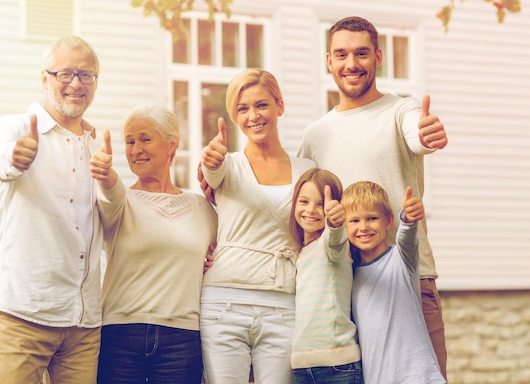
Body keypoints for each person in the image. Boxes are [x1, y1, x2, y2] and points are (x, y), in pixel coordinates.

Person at [297, 16, 449, 379]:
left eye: (362, 53)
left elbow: (417, 134)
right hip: (341, 290)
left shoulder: (402, 111)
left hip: (408, 280)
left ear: (378, 57)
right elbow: (298, 205)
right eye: (342, 54)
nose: (352, 64)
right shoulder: (315, 134)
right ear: (328, 61)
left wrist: (427, 134)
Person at [0, 36, 103, 383]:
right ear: (44, 78)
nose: (76, 84)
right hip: (24, 313)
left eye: (86, 75)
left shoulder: (97, 146)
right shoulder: (13, 129)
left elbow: (115, 220)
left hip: (83, 324)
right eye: (65, 73)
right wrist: (15, 158)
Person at [199, 68, 316, 384]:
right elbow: (211, 171)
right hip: (224, 303)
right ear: (234, 117)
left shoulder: (308, 170)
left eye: (261, 105)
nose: (253, 116)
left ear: (280, 105)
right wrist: (210, 160)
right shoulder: (226, 165)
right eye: (242, 108)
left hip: (284, 303)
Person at [91, 104, 217, 384]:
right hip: (120, 335)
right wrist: (105, 176)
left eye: (145, 139)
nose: (136, 149)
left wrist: (213, 263)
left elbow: (227, 251)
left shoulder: (201, 208)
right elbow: (110, 194)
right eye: (130, 141)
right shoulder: (121, 201)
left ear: (172, 145)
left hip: (182, 339)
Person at [341, 181, 445, 384]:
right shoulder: (350, 274)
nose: (364, 227)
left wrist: (408, 219)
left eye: (372, 218)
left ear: (388, 221)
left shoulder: (402, 259)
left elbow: (407, 238)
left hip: (417, 376)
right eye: (354, 221)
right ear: (345, 226)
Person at [288, 168, 363, 384]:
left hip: (337, 366)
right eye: (304, 202)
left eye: (320, 204)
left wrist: (336, 223)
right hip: (303, 366)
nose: (311, 210)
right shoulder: (302, 253)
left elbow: (335, 238)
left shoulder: (333, 246)